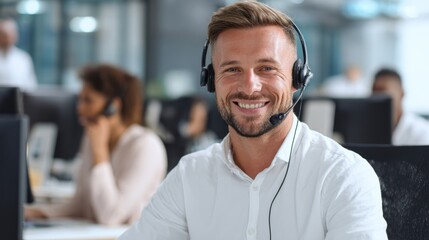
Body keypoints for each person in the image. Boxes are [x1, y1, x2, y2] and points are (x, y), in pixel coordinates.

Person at [120, 1, 387, 239]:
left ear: (297, 79)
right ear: (211, 80)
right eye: (232, 69)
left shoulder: (343, 177)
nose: (250, 86)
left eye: (267, 68)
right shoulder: (189, 177)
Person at [25, 64, 167, 226]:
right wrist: (36, 212)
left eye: (88, 100)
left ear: (113, 106)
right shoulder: (92, 138)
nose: (80, 108)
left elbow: (111, 216)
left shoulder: (145, 146)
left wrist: (99, 153)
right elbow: (82, 204)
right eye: (80, 100)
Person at [372, 68, 429, 145]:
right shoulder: (367, 131)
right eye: (374, 91)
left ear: (401, 93)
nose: (377, 96)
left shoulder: (423, 132)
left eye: (383, 90)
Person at [0, 17, 37, 90]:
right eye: (4, 34)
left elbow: (31, 86)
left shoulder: (23, 58)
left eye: (11, 33)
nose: (8, 38)